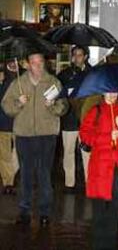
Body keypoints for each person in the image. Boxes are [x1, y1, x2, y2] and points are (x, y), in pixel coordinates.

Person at [1, 52, 68, 225]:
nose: (37, 66)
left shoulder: (53, 82)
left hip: (47, 135)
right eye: (34, 62)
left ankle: (45, 211)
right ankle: (24, 210)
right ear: (27, 64)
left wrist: (54, 106)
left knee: (45, 173)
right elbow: (6, 106)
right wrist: (18, 103)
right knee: (26, 173)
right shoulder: (18, 83)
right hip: (24, 135)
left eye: (40, 62)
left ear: (44, 63)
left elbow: (64, 107)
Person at [80, 91, 118, 250]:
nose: (112, 95)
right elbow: (85, 134)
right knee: (98, 208)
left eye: (115, 92)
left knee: (115, 206)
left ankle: (110, 244)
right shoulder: (95, 111)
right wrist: (107, 137)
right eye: (108, 92)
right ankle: (98, 244)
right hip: (100, 165)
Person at [57, 45, 91, 191]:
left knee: (87, 152)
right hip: (69, 118)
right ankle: (69, 183)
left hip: (86, 119)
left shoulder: (92, 73)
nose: (77, 58)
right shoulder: (64, 74)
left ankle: (90, 182)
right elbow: (58, 93)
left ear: (85, 57)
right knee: (69, 151)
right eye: (75, 55)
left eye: (80, 55)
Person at [0, 62, 19, 194]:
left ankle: (9, 176)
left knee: (19, 154)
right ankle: (8, 182)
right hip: (3, 123)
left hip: (20, 124)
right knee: (4, 155)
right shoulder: (7, 81)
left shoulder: (22, 78)